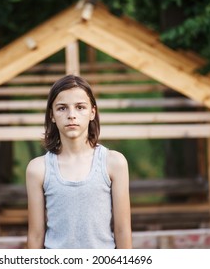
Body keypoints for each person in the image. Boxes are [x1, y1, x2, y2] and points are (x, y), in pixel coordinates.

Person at [26, 74, 132, 249]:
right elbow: (36, 235)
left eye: (80, 107)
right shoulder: (38, 169)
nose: (71, 115)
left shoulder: (114, 163)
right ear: (51, 115)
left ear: (92, 112)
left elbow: (122, 231)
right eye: (62, 108)